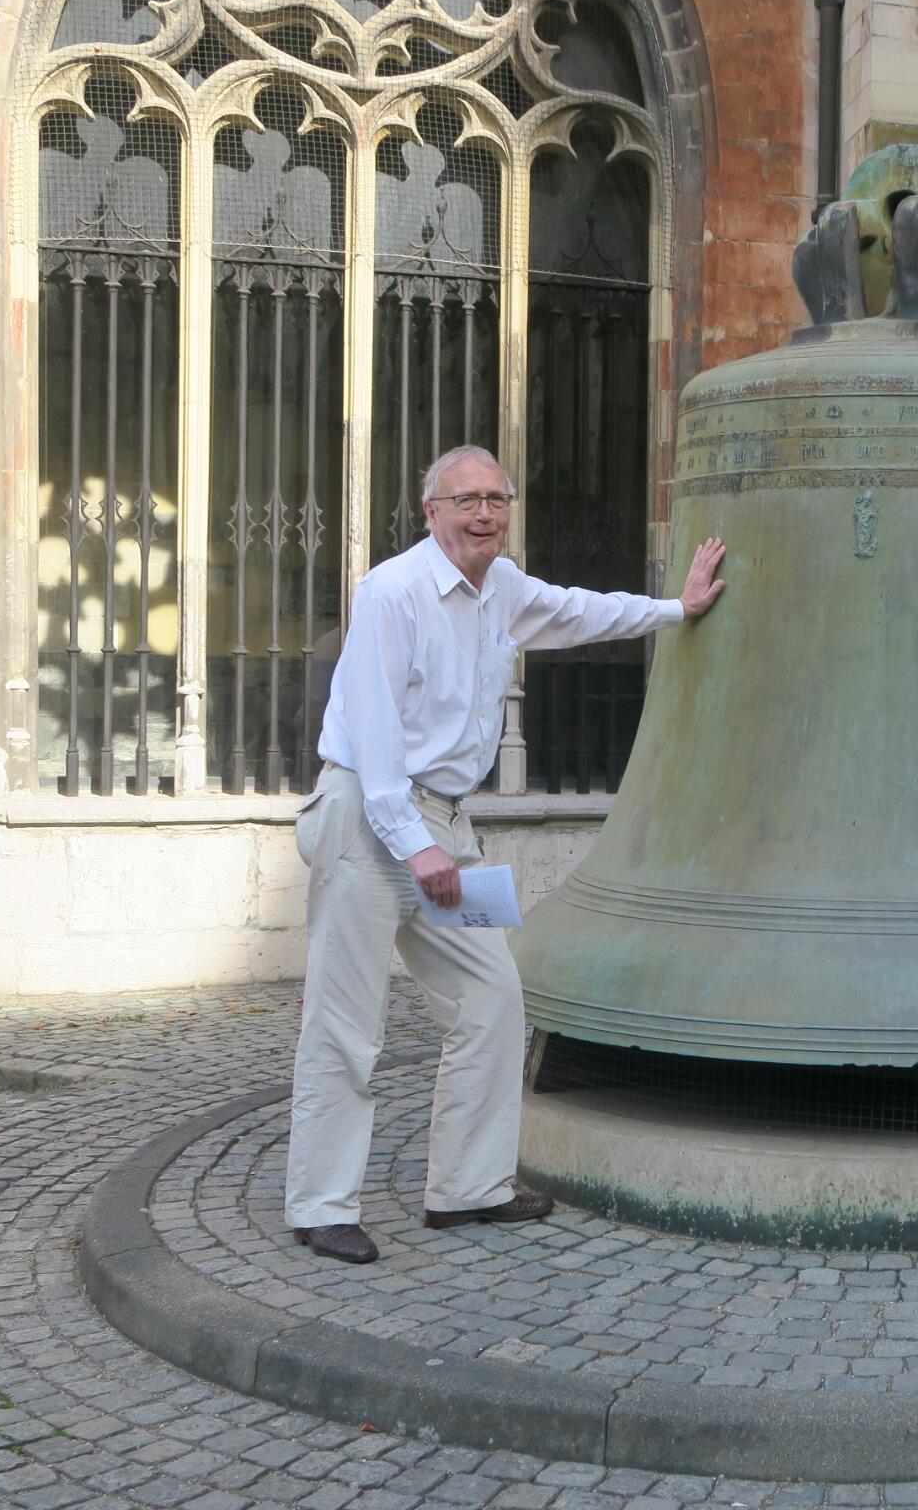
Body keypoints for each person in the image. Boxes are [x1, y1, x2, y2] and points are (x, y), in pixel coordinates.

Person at [286, 444, 728, 1263]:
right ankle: (321, 1205)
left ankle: (468, 1188)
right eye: (467, 500)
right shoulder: (393, 591)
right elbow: (374, 735)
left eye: (497, 499)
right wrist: (415, 846)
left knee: (492, 1001)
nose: (485, 514)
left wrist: (678, 608)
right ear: (432, 513)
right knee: (346, 1024)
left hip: (446, 822)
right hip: (370, 819)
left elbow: (582, 612)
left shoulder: (506, 588)